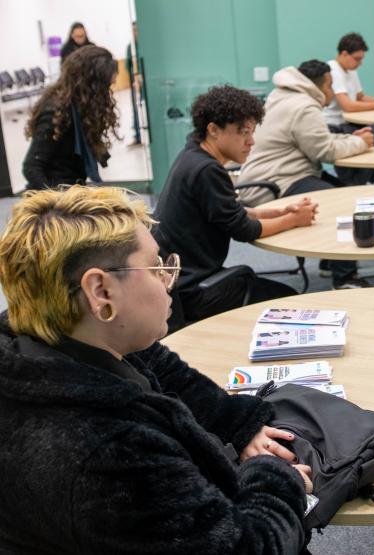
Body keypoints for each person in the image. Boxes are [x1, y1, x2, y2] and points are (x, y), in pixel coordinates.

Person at [0, 186, 314, 553]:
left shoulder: (46, 336)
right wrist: (275, 477)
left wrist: (238, 423)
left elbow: (157, 363)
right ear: (100, 291)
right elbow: (247, 547)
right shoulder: (108, 456)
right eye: (156, 267)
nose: (169, 281)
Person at [153, 85, 317, 326]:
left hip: (182, 281)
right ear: (213, 130)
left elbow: (230, 210)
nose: (251, 142)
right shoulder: (207, 170)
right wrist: (294, 220)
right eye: (243, 133)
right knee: (289, 302)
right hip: (195, 290)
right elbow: (244, 229)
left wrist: (280, 211)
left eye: (252, 132)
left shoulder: (193, 154)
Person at [239, 59, 374, 289]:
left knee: (343, 192)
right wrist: (361, 143)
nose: (331, 92)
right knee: (342, 204)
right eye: (330, 86)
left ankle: (331, 262)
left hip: (271, 176)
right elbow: (326, 151)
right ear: (319, 86)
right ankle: (345, 280)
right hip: (277, 182)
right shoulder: (304, 106)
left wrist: (352, 139)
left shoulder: (283, 96)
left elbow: (316, 141)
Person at [22, 46, 118, 189]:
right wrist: (57, 201)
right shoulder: (56, 111)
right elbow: (32, 166)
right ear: (91, 83)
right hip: (55, 196)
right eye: (105, 85)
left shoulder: (80, 105)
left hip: (73, 188)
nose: (109, 89)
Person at [323, 32, 374, 184]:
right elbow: (347, 106)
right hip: (335, 124)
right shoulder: (333, 70)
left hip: (349, 122)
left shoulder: (350, 71)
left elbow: (360, 96)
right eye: (357, 59)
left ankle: (366, 177)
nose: (360, 63)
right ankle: (354, 180)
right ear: (344, 54)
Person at [126, 21, 144, 146]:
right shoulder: (130, 47)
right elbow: (128, 65)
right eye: (133, 30)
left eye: (137, 30)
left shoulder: (145, 45)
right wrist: (135, 79)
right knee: (135, 108)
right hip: (136, 82)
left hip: (145, 82)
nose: (135, 32)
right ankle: (137, 136)